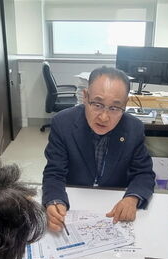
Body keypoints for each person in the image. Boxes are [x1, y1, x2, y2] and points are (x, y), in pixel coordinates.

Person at [42, 66, 155, 232]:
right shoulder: (63, 123)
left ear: (125, 105)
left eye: (114, 108)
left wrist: (132, 198)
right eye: (97, 104)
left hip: (112, 206)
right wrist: (54, 200)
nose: (104, 117)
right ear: (85, 96)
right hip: (75, 204)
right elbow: (54, 172)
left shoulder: (134, 128)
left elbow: (144, 173)